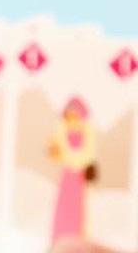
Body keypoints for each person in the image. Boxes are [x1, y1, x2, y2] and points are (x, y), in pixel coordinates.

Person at [48, 97, 97, 246]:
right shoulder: (62, 131)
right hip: (68, 173)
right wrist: (56, 151)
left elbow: (89, 153)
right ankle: (60, 234)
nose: (71, 119)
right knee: (64, 202)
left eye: (74, 115)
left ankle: (75, 235)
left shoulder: (87, 132)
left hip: (78, 174)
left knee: (77, 205)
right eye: (68, 116)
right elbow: (57, 152)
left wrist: (78, 161)